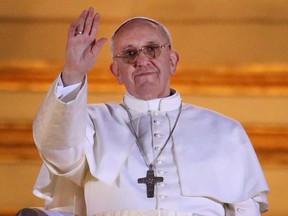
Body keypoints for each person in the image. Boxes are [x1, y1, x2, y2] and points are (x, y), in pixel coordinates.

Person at [16, 7, 269, 216]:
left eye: (152, 48)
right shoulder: (91, 122)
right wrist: (73, 71)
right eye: (129, 54)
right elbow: (56, 150)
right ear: (116, 72)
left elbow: (246, 208)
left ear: (172, 61)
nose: (142, 60)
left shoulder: (225, 131)